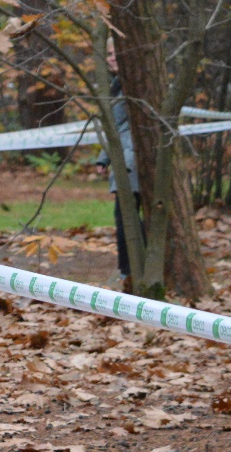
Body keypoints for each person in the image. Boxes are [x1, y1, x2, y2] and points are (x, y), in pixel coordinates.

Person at [94, 42, 140, 293]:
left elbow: (125, 130)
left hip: (133, 164)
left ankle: (129, 273)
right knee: (124, 219)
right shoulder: (117, 87)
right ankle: (129, 272)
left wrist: (121, 161)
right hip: (124, 160)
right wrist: (104, 158)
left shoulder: (134, 86)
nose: (111, 58)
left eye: (115, 53)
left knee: (127, 221)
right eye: (108, 54)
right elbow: (116, 130)